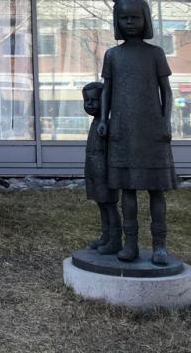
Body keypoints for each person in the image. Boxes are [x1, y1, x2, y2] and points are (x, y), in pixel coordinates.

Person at [97, 0, 177, 266]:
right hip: (123, 130)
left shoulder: (155, 54)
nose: (130, 22)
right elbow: (107, 90)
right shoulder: (113, 55)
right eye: (124, 18)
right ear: (117, 21)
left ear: (145, 20)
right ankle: (130, 243)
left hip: (151, 131)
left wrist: (166, 121)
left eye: (135, 17)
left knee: (156, 190)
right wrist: (104, 119)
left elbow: (166, 91)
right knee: (127, 191)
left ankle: (159, 245)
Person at [82, 81, 120, 254]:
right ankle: (106, 235)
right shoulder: (96, 122)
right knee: (101, 204)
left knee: (109, 205)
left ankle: (115, 240)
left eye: (94, 100)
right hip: (94, 170)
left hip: (104, 172)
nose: (89, 104)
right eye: (86, 100)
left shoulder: (107, 124)